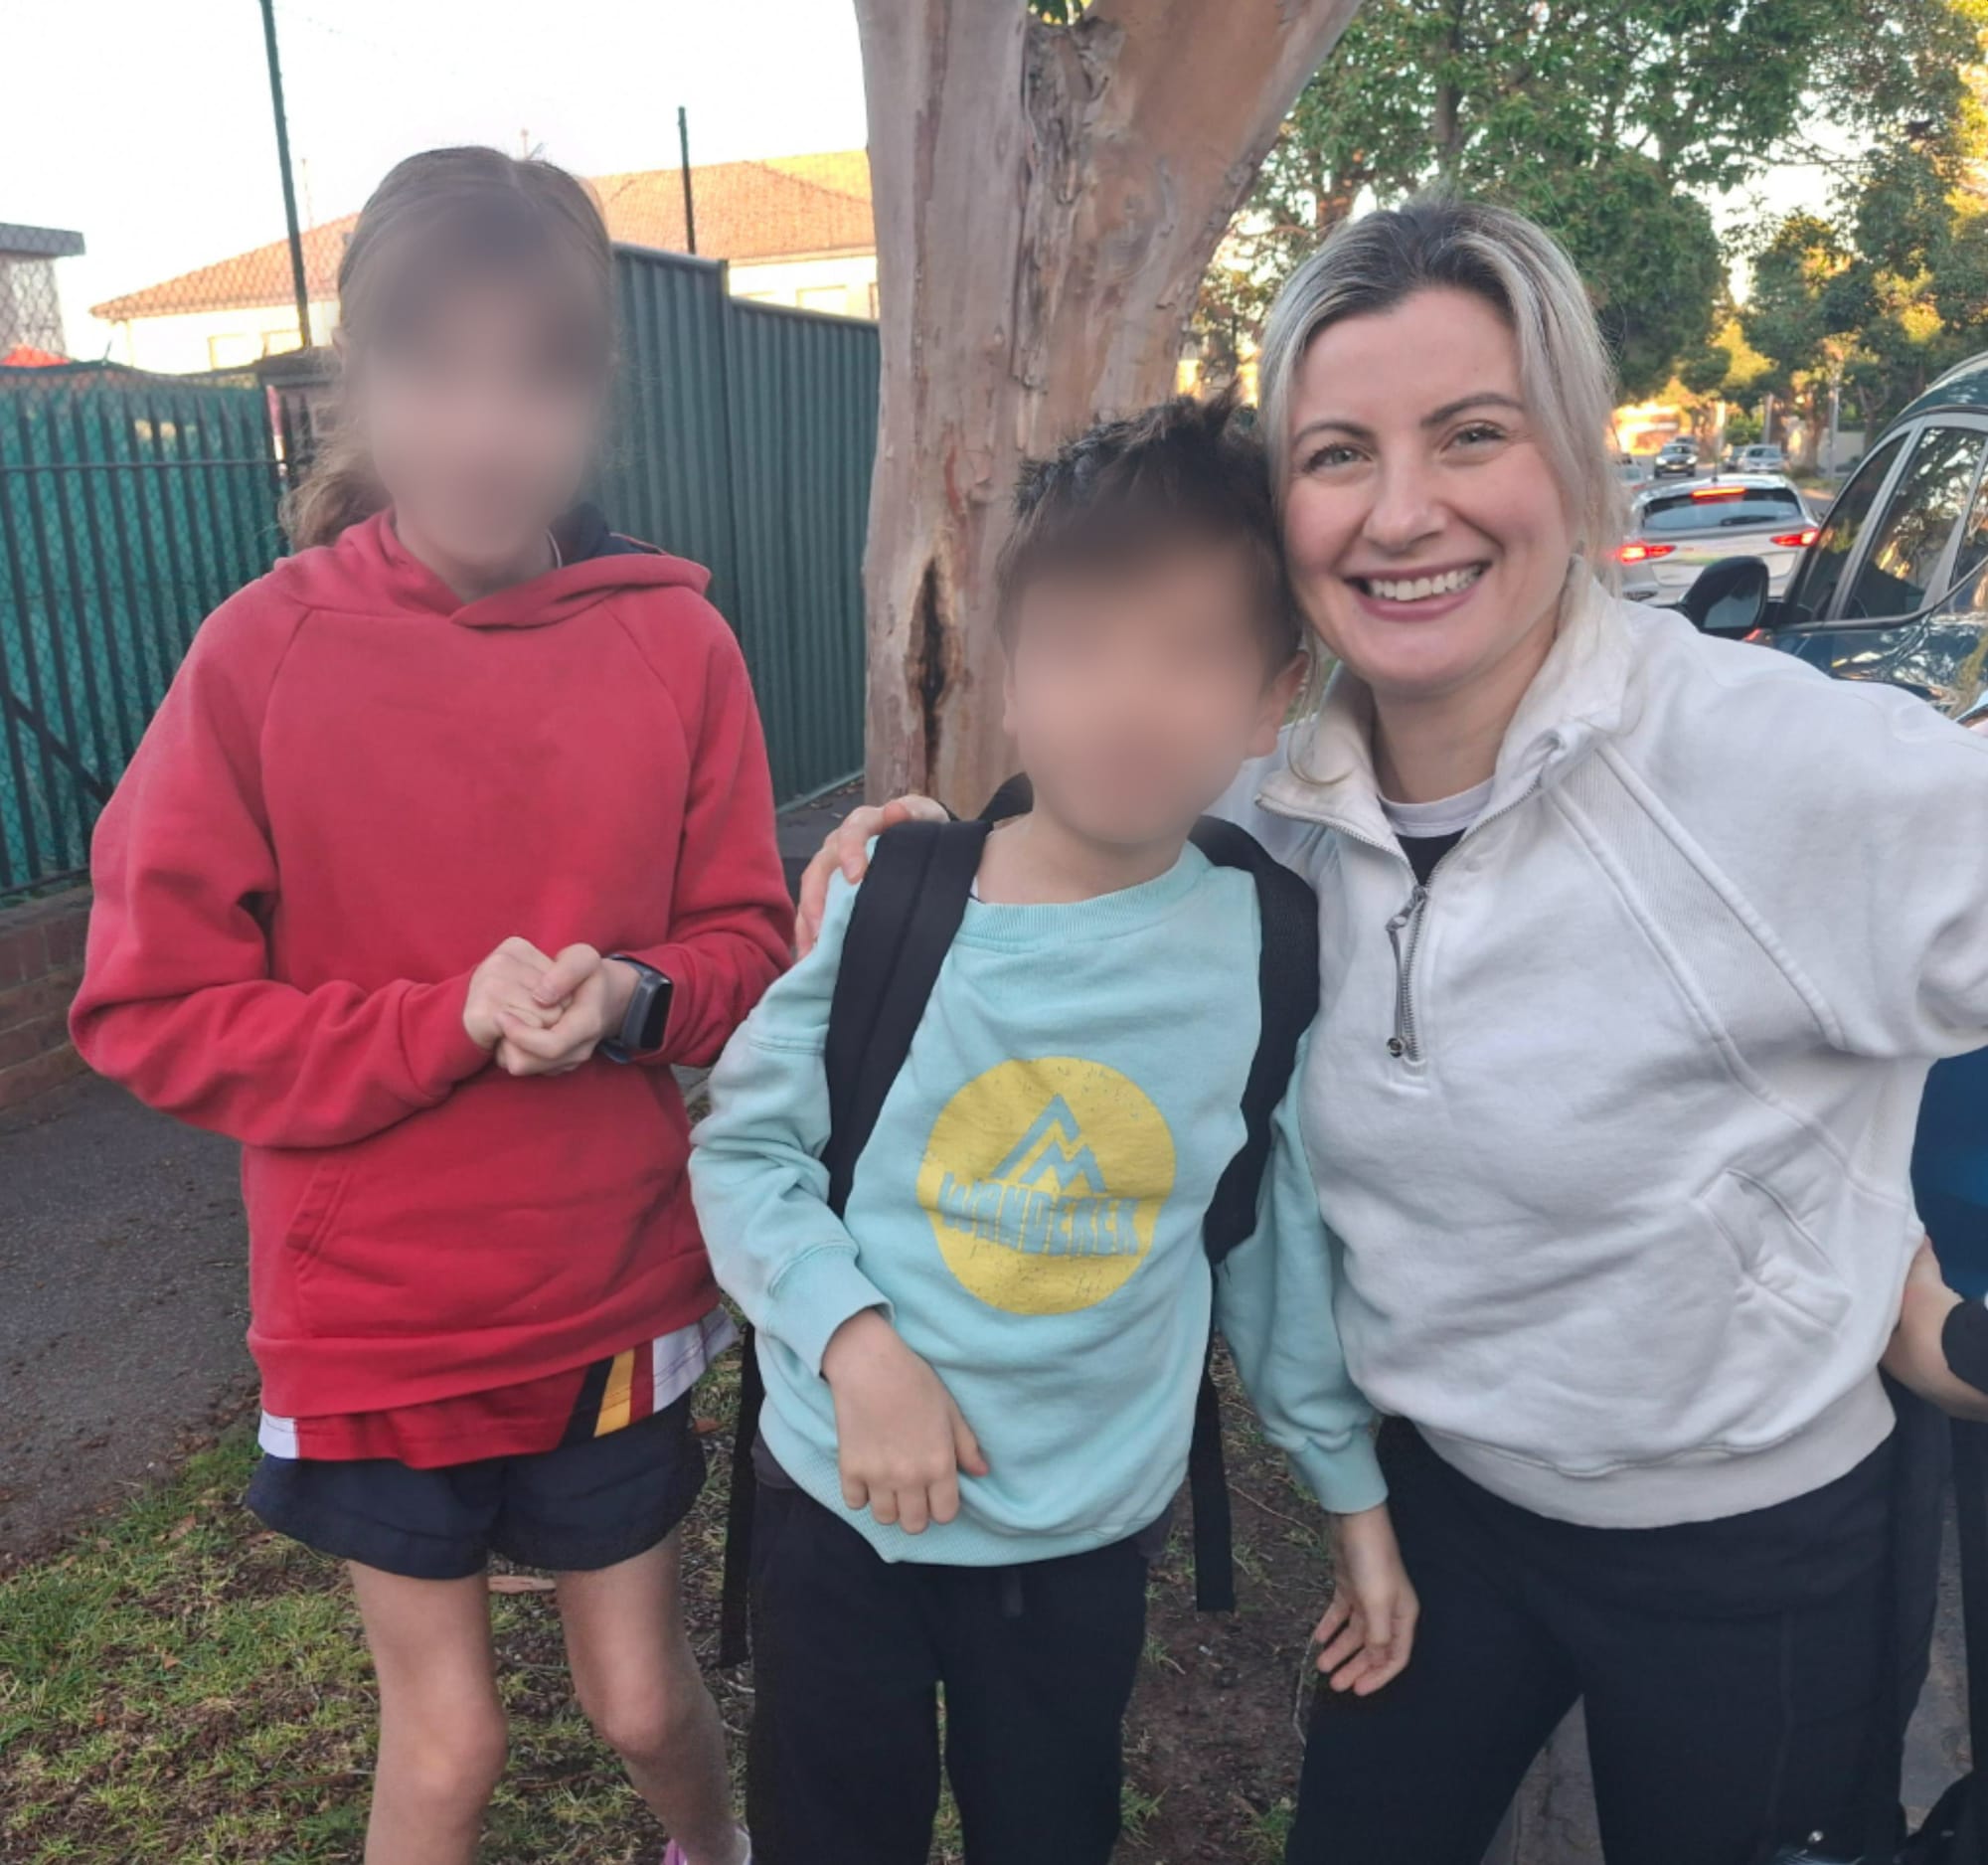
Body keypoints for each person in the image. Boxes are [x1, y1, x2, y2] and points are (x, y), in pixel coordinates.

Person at [799, 196, 1988, 1865]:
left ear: (1572, 459)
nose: (1403, 509)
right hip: (1437, 1511)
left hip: (1749, 1540)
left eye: (1473, 433)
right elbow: (1071, 815)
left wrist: (1911, 1270)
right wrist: (920, 847)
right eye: (1340, 450)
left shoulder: (1788, 772)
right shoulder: (1259, 803)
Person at [70, 148, 787, 1865]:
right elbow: (149, 1007)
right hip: (374, 1331)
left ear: (595, 392)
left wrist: (630, 999)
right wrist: (433, 1023)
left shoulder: (679, 645)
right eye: (432, 366)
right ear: (356, 386)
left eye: (537, 370)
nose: (485, 423)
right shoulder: (257, 657)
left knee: (640, 1702)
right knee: (447, 1753)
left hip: (608, 1299)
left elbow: (751, 945)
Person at [691, 395, 1414, 1865]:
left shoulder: (1271, 945)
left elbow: (1266, 1247)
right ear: (1010, 678)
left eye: (1193, 653)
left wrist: (1350, 1492)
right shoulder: (896, 902)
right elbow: (742, 1154)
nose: (1130, 702)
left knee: (1051, 1826)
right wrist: (857, 1344)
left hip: (1083, 1533)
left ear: (1277, 690)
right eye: (1079, 648)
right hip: (845, 1506)